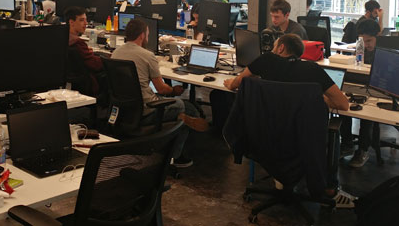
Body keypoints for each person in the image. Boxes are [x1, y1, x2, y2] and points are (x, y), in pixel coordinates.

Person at [223, 34, 354, 207]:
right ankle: (330, 189)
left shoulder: (265, 60)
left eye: (274, 45)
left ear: (281, 48)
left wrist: (229, 83)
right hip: (300, 142)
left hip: (262, 136)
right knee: (334, 131)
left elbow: (238, 82)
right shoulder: (312, 69)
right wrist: (319, 98)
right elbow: (343, 104)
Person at [111, 18, 209, 167]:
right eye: (147, 34)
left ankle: (171, 143)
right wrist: (174, 90)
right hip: (147, 110)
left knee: (185, 109)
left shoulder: (116, 53)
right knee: (186, 108)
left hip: (126, 111)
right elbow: (162, 89)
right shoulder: (147, 55)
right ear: (142, 36)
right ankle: (175, 156)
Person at [341, 18, 380, 168]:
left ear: (377, 36)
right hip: (360, 85)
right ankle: (347, 144)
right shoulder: (360, 46)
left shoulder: (384, 51)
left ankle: (363, 149)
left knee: (366, 114)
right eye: (362, 41)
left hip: (377, 89)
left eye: (369, 41)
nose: (366, 44)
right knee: (343, 107)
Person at [64, 6, 104, 96]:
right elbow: (95, 65)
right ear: (71, 22)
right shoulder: (77, 43)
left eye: (86, 20)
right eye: (81, 20)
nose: (86, 23)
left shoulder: (64, 38)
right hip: (87, 86)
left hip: (71, 84)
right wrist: (107, 59)